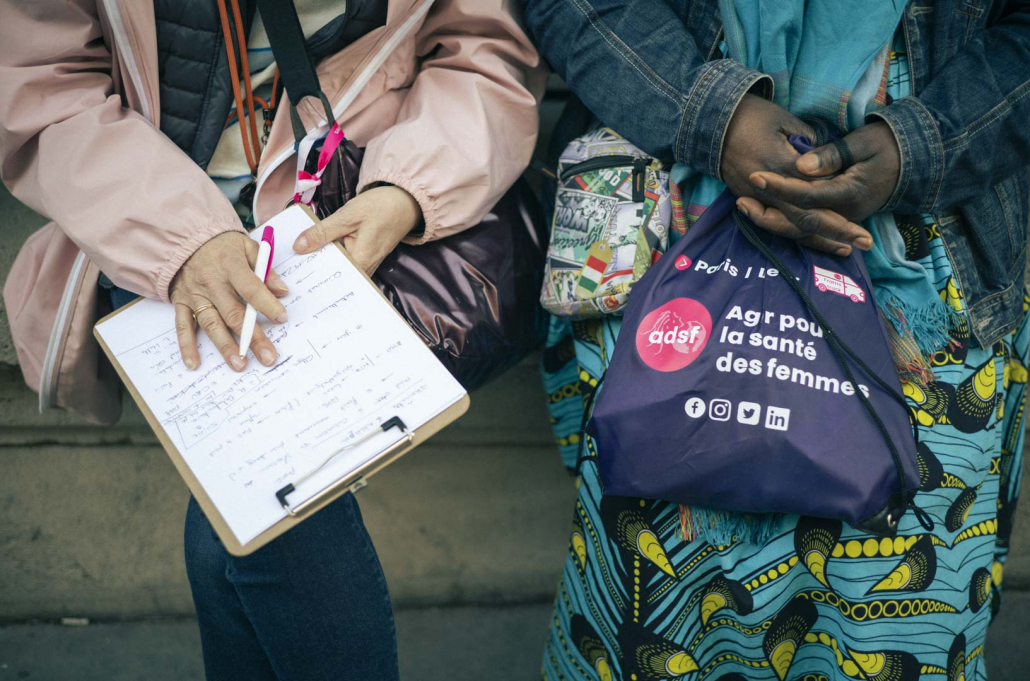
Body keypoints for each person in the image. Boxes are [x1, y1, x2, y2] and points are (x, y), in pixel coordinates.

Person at [0, 1, 545, 678]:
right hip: (149, 226)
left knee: (247, 511)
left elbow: (481, 47)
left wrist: (408, 189)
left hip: (353, 215)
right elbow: (38, 81)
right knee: (268, 505)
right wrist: (181, 239)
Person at [523, 0, 1029, 678]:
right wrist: (712, 117)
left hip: (926, 247)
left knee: (894, 627)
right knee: (660, 601)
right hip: (670, 211)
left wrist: (919, 148)